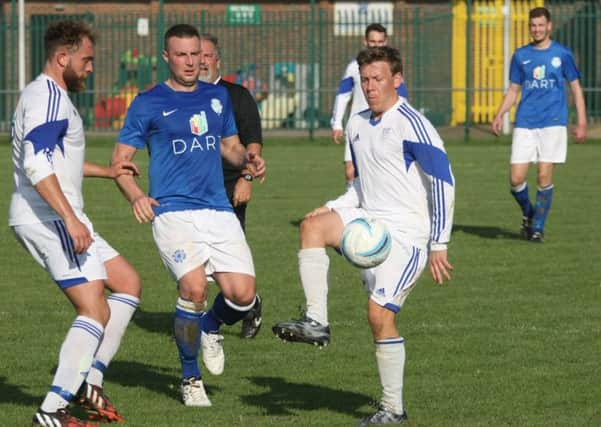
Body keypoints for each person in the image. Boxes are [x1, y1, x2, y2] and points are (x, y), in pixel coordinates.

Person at [273, 46, 454, 426]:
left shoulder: (412, 124)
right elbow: (362, 187)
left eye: (378, 79)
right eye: (365, 80)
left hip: (406, 235)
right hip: (369, 219)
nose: (370, 87)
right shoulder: (356, 124)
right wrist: (331, 205)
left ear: (397, 80)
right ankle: (316, 321)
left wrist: (439, 244)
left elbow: (442, 182)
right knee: (311, 227)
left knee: (378, 315)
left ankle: (393, 411)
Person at [111, 24, 265, 408]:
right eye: (181, 55)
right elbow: (120, 162)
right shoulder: (147, 103)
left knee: (244, 296)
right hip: (172, 211)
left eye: (195, 54)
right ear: (167, 58)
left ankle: (211, 325)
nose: (190, 61)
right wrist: (135, 196)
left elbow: (229, 145)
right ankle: (189, 377)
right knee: (194, 288)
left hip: (217, 208)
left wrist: (247, 159)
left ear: (204, 55)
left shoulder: (217, 97)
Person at [8, 20, 141, 426]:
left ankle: (87, 381)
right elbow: (35, 162)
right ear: (62, 57)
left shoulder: (55, 97)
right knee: (93, 308)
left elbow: (58, 162)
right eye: (86, 60)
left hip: (62, 213)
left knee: (127, 282)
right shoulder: (47, 97)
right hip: (49, 216)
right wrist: (69, 219)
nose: (90, 68)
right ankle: (52, 411)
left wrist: (110, 171)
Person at [492, 6, 586, 243]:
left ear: (549, 26)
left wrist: (581, 121)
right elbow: (514, 90)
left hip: (553, 121)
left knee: (544, 175)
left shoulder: (562, 54)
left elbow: (575, 88)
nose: (536, 29)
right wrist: (500, 113)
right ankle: (530, 213)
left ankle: (538, 228)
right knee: (515, 178)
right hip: (525, 121)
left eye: (541, 25)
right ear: (529, 27)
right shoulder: (521, 55)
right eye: (533, 25)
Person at [198, 32, 263, 340]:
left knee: (229, 264)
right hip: (192, 191)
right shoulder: (183, 97)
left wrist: (247, 178)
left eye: (207, 55)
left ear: (217, 60)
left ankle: (249, 305)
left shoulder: (236, 95)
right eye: (196, 55)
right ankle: (198, 325)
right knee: (193, 265)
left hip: (228, 188)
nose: (201, 61)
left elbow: (252, 142)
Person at [331, 23, 409, 187]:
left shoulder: (390, 68)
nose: (376, 45)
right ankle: (354, 209)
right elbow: (343, 94)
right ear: (365, 42)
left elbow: (401, 96)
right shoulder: (354, 67)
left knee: (380, 171)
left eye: (380, 42)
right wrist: (337, 123)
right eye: (372, 41)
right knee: (350, 172)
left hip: (385, 127)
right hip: (358, 126)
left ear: (386, 42)